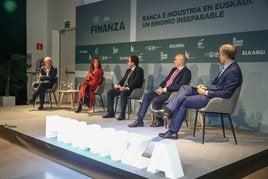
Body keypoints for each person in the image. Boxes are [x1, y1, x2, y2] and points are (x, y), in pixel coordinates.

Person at [154, 44, 243, 139]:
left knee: (183, 100)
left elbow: (226, 93)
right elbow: (218, 86)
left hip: (215, 99)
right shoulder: (228, 67)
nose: (218, 56)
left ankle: (172, 131)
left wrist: (206, 92)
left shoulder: (233, 70)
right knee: (185, 88)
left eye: (220, 54)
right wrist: (205, 87)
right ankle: (168, 110)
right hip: (210, 94)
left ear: (225, 56)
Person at [128, 53, 191, 128]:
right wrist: (160, 87)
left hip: (172, 93)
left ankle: (159, 120)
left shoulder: (187, 72)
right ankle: (139, 120)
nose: (173, 61)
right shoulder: (174, 69)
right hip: (164, 90)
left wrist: (165, 89)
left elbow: (180, 86)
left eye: (175, 60)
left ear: (181, 61)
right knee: (147, 96)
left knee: (156, 99)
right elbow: (166, 81)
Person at [103, 55, 144, 120]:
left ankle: (122, 115)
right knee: (110, 92)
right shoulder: (128, 70)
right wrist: (118, 84)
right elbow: (123, 80)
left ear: (133, 63)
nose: (127, 62)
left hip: (132, 89)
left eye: (128, 61)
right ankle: (110, 113)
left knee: (123, 93)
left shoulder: (139, 70)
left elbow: (136, 82)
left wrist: (126, 87)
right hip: (124, 88)